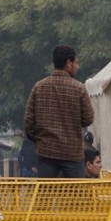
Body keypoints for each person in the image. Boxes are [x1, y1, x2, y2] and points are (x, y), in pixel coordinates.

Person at [24, 45, 95, 178]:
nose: (77, 67)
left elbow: (29, 122)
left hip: (46, 153)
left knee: (46, 196)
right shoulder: (79, 88)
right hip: (72, 154)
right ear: (68, 63)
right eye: (76, 63)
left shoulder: (38, 87)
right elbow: (88, 119)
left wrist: (40, 140)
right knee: (78, 196)